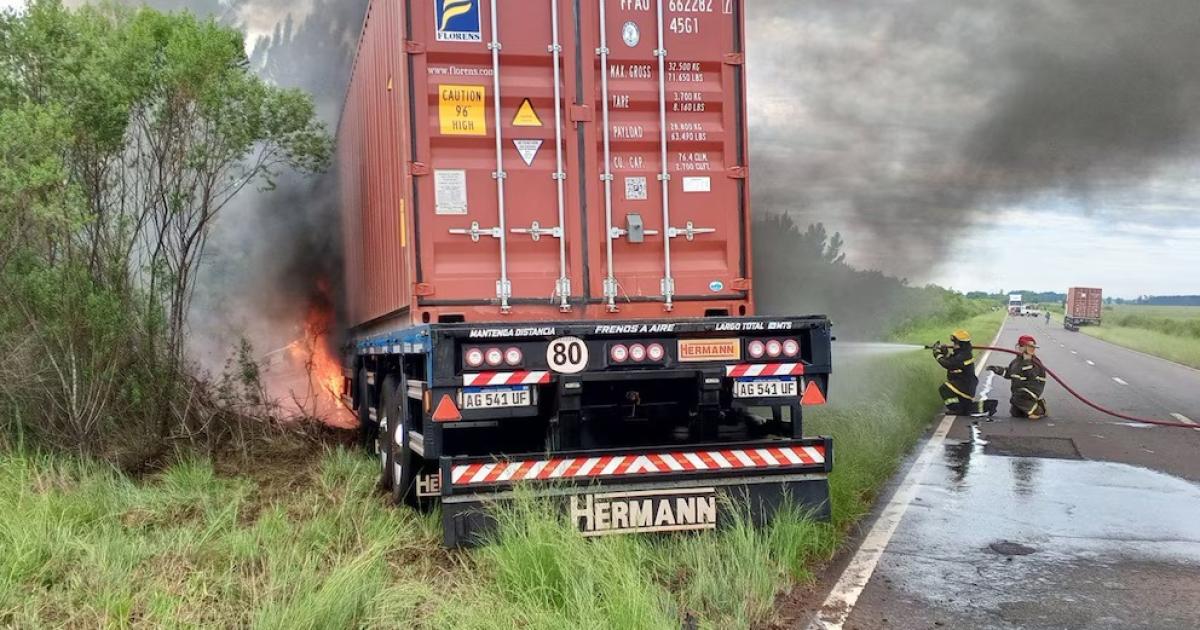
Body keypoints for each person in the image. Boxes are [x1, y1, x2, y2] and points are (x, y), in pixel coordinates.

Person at [932, 329, 998, 417]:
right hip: (964, 385)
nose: (953, 346)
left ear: (961, 344)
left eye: (955, 343)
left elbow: (949, 364)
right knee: (967, 408)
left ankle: (956, 409)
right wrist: (946, 353)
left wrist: (937, 355)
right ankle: (989, 405)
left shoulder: (964, 355)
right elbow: (953, 360)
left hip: (965, 385)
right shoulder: (962, 353)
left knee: (944, 389)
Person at [988, 335, 1049, 419]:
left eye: (1033, 347)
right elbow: (1010, 373)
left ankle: (1038, 411)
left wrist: (1027, 362)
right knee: (1015, 413)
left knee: (1016, 399)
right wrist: (997, 369)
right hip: (1019, 390)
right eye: (1029, 347)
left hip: (1032, 389)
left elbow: (1032, 377)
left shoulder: (1035, 362)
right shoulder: (1016, 362)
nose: (1032, 349)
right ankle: (1037, 405)